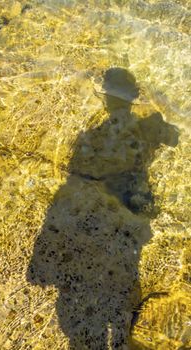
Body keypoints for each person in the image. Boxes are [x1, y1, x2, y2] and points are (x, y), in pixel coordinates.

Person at [27, 68, 179, 349]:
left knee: (107, 281)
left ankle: (116, 333)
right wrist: (162, 107)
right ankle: (124, 336)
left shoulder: (90, 137)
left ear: (105, 99)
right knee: (125, 279)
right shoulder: (149, 127)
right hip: (135, 209)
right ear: (135, 96)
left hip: (105, 212)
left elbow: (80, 178)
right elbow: (176, 137)